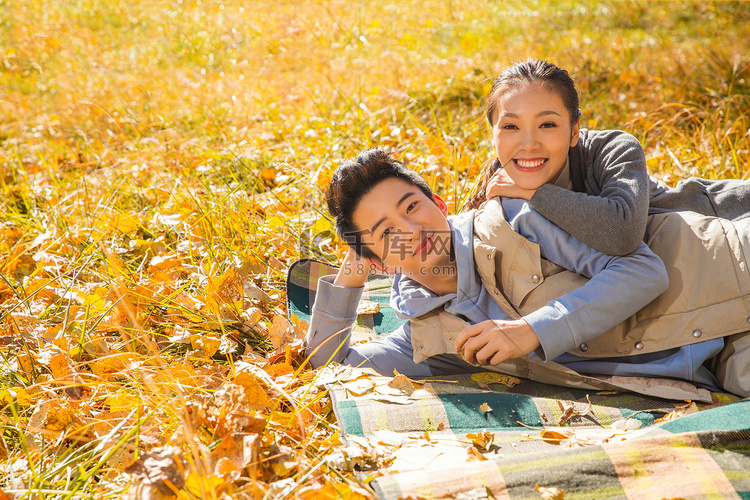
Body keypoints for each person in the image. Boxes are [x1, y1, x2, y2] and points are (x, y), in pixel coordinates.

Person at [305, 148, 750, 398]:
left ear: (439, 205)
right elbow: (331, 366)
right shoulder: (429, 335)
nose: (413, 229)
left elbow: (640, 270)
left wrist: (530, 331)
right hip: (716, 353)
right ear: (380, 262)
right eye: (387, 233)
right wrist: (350, 280)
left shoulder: (515, 219)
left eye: (413, 207)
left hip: (725, 269)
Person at [466, 59, 750, 256]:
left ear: (574, 130)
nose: (528, 144)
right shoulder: (498, 179)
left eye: (548, 124)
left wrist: (535, 192)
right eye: (510, 126)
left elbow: (622, 234)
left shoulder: (613, 149)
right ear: (492, 133)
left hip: (729, 219)